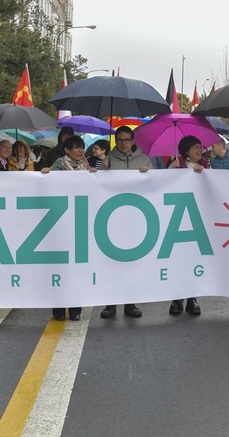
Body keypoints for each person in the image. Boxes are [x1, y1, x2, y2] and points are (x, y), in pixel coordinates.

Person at [100, 125, 148, 319]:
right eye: (119, 140)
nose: (123, 143)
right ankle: (110, 304)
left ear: (133, 140)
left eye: (127, 139)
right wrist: (101, 170)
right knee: (111, 262)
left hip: (136, 217)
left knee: (132, 262)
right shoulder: (107, 160)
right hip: (112, 218)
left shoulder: (144, 160)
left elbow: (154, 185)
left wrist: (147, 174)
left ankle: (130, 302)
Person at [49, 135, 92, 321]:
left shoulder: (89, 168)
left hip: (81, 223)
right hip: (59, 224)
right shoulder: (57, 167)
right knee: (59, 267)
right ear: (66, 150)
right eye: (75, 147)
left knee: (77, 268)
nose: (79, 150)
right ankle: (58, 310)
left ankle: (75, 309)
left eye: (81, 147)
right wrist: (45, 174)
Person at [167, 135, 208, 316]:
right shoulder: (176, 165)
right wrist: (171, 171)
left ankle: (193, 298)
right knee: (178, 259)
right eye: (197, 147)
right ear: (187, 151)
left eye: (201, 147)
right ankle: (177, 298)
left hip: (199, 219)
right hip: (177, 219)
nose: (201, 150)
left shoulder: (207, 166)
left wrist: (205, 175)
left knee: (194, 259)